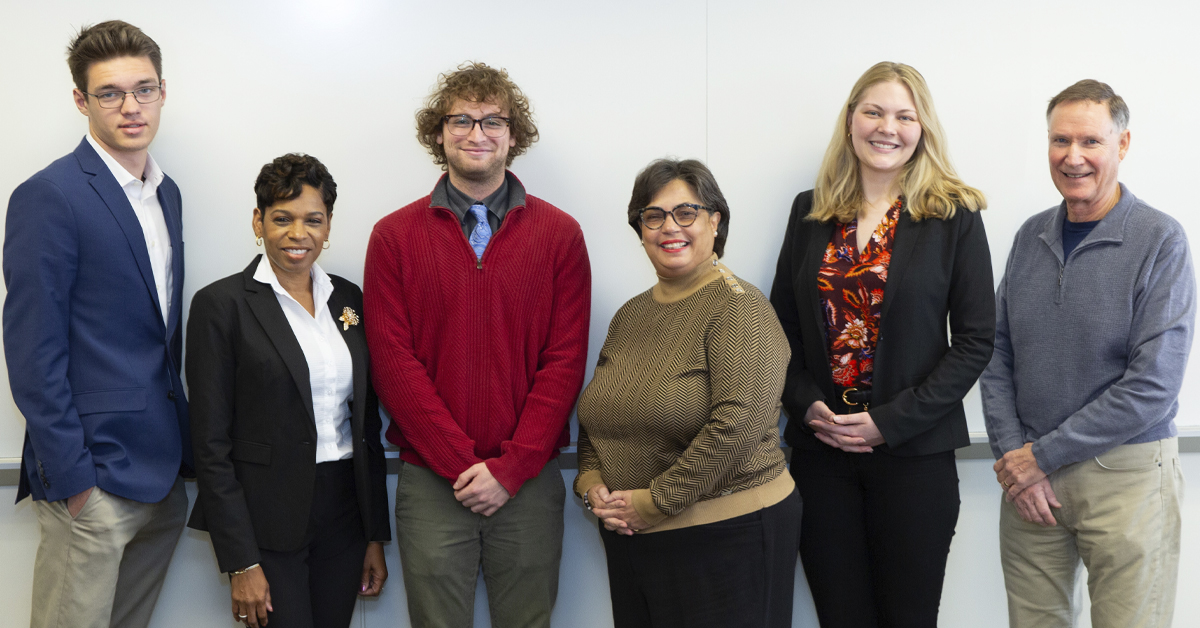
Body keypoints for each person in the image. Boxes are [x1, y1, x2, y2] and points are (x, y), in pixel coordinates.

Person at [363, 61, 591, 627]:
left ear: (514, 135)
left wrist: (510, 470)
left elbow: (564, 363)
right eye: (461, 119)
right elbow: (394, 365)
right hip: (433, 482)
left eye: (493, 120)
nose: (477, 132)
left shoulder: (560, 235)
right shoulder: (393, 237)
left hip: (529, 481)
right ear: (438, 134)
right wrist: (463, 466)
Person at [769, 61, 995, 627]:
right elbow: (778, 330)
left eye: (903, 115)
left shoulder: (953, 214)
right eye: (873, 111)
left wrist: (889, 422)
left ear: (923, 128)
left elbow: (974, 340)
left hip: (913, 458)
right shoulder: (810, 211)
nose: (886, 127)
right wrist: (804, 404)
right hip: (822, 456)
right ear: (851, 120)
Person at [980, 80, 1193, 628]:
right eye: (1059, 140)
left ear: (1122, 146)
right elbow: (996, 352)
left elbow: (1153, 385)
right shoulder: (1031, 237)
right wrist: (1016, 460)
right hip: (1029, 481)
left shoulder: (1160, 240)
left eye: (1090, 142)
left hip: (1125, 475)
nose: (1072, 157)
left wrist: (1039, 457)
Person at [2, 21, 190, 628]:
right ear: (81, 101)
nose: (131, 107)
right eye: (110, 93)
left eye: (144, 89)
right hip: (92, 483)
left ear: (164, 91)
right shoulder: (50, 196)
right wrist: (74, 480)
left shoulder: (167, 194)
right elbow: (33, 349)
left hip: (161, 475)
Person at [575, 158, 802, 628]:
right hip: (633, 539)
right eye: (653, 216)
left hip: (727, 539)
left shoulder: (741, 309)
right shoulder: (630, 315)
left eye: (686, 212)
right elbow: (599, 413)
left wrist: (653, 503)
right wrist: (590, 483)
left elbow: (737, 426)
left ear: (715, 222)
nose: (668, 227)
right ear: (640, 229)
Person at [187, 154, 390, 628]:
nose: (298, 233)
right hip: (266, 521)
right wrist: (240, 560)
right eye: (282, 218)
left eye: (312, 220)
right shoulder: (222, 305)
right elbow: (210, 444)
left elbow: (365, 425)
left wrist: (374, 534)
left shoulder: (350, 299)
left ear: (328, 225)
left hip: (344, 515)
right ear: (258, 221)